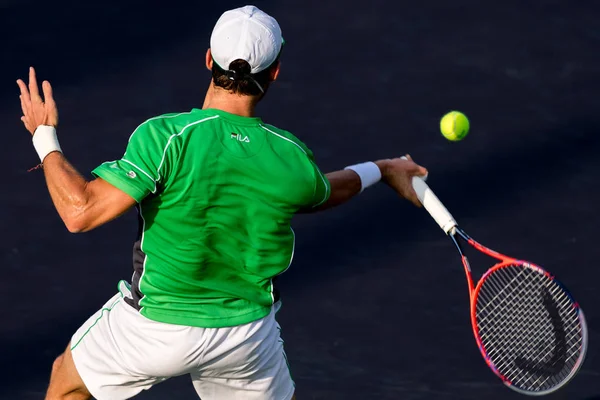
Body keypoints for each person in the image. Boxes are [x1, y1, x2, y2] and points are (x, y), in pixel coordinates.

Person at [17, 5, 428, 400]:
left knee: (67, 384)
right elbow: (324, 191)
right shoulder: (291, 159)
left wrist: (44, 135)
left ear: (209, 59)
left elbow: (80, 212)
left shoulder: (166, 138)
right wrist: (383, 168)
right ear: (276, 73)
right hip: (245, 339)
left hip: (156, 330)